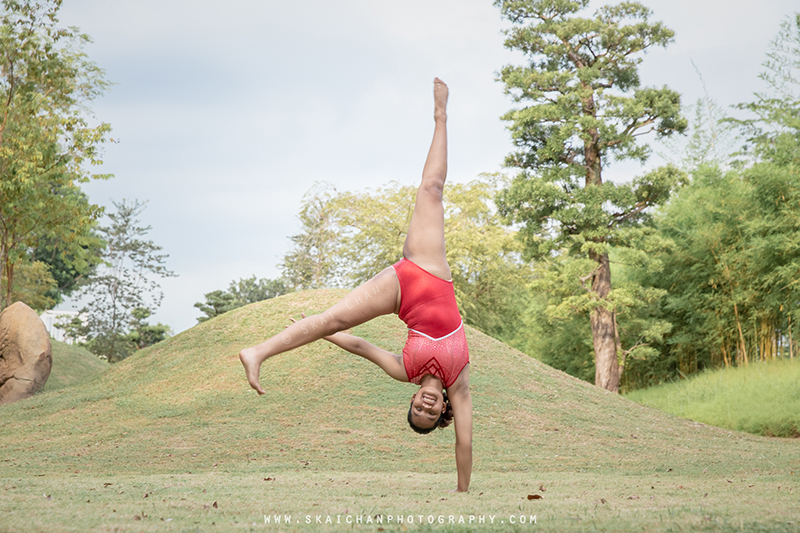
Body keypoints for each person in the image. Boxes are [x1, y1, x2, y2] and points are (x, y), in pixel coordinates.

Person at [239, 78, 472, 492]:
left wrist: (322, 332)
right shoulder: (459, 382)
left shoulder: (405, 371)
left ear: (413, 401)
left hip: (402, 287)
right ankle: (442, 115)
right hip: (431, 270)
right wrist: (462, 492)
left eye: (417, 409)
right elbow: (465, 441)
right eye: (429, 414)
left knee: (330, 320)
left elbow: (361, 346)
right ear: (443, 412)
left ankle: (257, 352)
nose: (424, 405)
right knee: (432, 191)